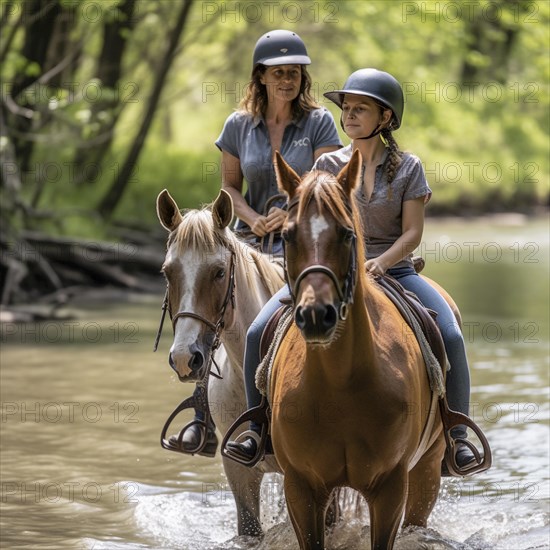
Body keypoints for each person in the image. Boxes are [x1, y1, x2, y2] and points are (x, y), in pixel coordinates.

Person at [227, 68, 477, 473]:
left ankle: (458, 435)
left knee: (449, 332)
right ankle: (256, 429)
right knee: (258, 330)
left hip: (393, 270)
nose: (349, 116)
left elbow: (412, 233)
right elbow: (313, 224)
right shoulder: (326, 163)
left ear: (386, 118)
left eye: (361, 109)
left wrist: (381, 262)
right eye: (346, 109)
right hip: (332, 272)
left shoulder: (408, 168)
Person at [178, 29, 342, 456]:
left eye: (294, 72)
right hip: (248, 241)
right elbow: (229, 188)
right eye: (278, 72)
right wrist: (253, 219)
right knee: (206, 305)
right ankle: (203, 419)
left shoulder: (320, 122)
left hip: (304, 238)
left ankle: (334, 410)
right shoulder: (237, 126)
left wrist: (289, 215)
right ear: (261, 76)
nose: (287, 79)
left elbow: (324, 186)